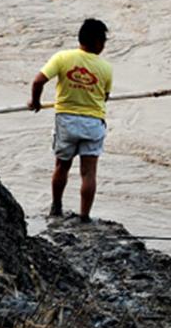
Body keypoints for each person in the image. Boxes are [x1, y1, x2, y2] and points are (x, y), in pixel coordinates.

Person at [29, 18, 113, 222]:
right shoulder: (105, 68)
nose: (103, 45)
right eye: (103, 41)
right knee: (89, 173)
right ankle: (84, 216)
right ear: (96, 42)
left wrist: (36, 101)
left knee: (62, 166)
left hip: (66, 120)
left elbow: (38, 80)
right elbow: (104, 97)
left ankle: (56, 208)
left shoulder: (62, 58)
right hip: (93, 122)